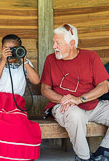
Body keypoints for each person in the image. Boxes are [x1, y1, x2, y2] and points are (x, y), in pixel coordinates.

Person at [40, 24, 109, 161]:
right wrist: (64, 100)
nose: (54, 46)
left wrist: (79, 99)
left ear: (72, 43)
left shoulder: (91, 57)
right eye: (54, 42)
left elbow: (104, 86)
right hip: (63, 106)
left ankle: (103, 153)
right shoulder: (50, 60)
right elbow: (45, 89)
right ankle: (83, 158)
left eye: (57, 43)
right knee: (75, 115)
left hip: (90, 105)